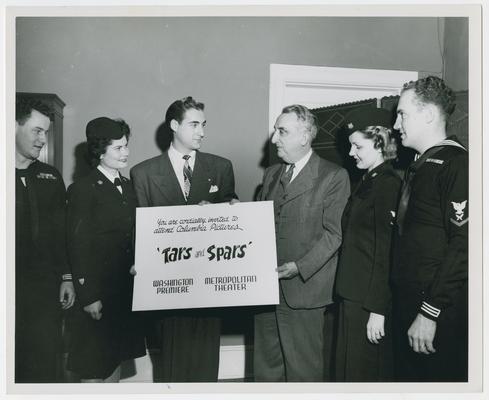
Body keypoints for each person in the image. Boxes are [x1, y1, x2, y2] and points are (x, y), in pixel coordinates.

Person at [130, 96, 238, 382]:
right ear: (174, 125)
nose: (201, 131)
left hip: (209, 286)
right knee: (172, 365)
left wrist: (220, 212)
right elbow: (140, 232)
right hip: (167, 287)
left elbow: (233, 222)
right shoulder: (143, 173)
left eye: (203, 125)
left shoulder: (221, 167)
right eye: (194, 124)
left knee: (206, 366)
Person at [253, 104, 350, 382]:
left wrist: (299, 266)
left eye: (282, 131)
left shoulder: (333, 176)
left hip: (304, 291)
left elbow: (334, 234)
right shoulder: (272, 173)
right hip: (266, 290)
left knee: (303, 373)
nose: (274, 139)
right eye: (275, 131)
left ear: (305, 136)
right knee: (266, 371)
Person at [391, 76, 468, 381]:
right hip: (408, 306)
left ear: (429, 115)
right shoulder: (421, 165)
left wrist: (430, 311)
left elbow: (465, 245)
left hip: (435, 312)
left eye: (402, 114)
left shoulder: (457, 165)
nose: (396, 125)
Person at [66, 117, 146, 382]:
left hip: (123, 292)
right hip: (98, 294)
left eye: (126, 146)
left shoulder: (130, 187)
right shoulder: (82, 190)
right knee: (93, 368)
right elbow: (78, 245)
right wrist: (88, 295)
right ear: (100, 151)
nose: (126, 153)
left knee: (115, 361)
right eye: (118, 148)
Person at [334, 108, 401, 382]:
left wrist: (378, 309)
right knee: (348, 373)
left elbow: (386, 251)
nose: (351, 153)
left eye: (357, 146)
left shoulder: (388, 185)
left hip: (367, 300)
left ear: (379, 143)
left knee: (364, 375)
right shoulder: (368, 180)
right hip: (352, 293)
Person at [15, 96, 76, 383]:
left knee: (42, 365)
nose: (42, 140)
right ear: (12, 126)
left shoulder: (50, 177)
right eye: (36, 131)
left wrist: (66, 277)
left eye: (46, 133)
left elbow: (61, 234)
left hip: (43, 293)